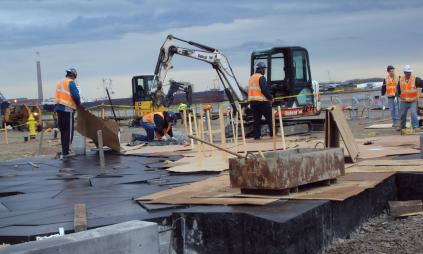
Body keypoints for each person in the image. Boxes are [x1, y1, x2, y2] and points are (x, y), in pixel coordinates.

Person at [54, 68, 81, 158]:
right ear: (73, 75)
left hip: (59, 108)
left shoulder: (60, 83)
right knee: (68, 131)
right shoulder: (70, 82)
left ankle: (64, 150)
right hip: (67, 109)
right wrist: (78, 104)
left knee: (63, 131)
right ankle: (67, 151)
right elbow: (76, 95)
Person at [248, 62, 273, 140]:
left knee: (256, 120)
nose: (265, 71)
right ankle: (272, 134)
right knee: (269, 119)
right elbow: (264, 90)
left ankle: (257, 136)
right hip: (262, 102)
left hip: (253, 102)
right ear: (261, 69)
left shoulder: (251, 77)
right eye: (264, 69)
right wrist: (271, 98)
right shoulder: (261, 77)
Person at [397, 65, 423, 132]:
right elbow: (398, 89)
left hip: (412, 100)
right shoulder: (401, 80)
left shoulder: (415, 79)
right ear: (404, 72)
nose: (409, 73)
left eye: (410, 72)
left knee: (413, 113)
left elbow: (422, 83)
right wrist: (397, 94)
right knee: (402, 114)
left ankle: (415, 127)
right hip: (403, 100)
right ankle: (402, 127)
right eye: (407, 72)